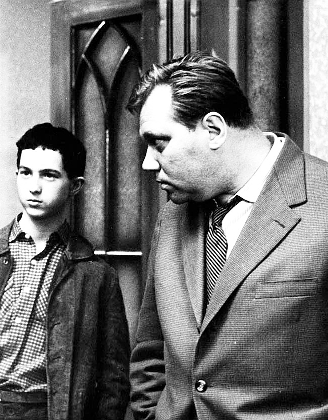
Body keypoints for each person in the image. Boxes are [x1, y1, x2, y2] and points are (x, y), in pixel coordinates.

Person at [127, 51, 328, 420]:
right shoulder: (172, 215)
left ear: (214, 129)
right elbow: (151, 351)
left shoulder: (323, 205)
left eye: (159, 143)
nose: (148, 162)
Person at [0, 123, 130, 420]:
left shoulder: (96, 275)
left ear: (75, 185)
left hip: (49, 412)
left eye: (49, 175)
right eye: (25, 173)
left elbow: (114, 380)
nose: (34, 187)